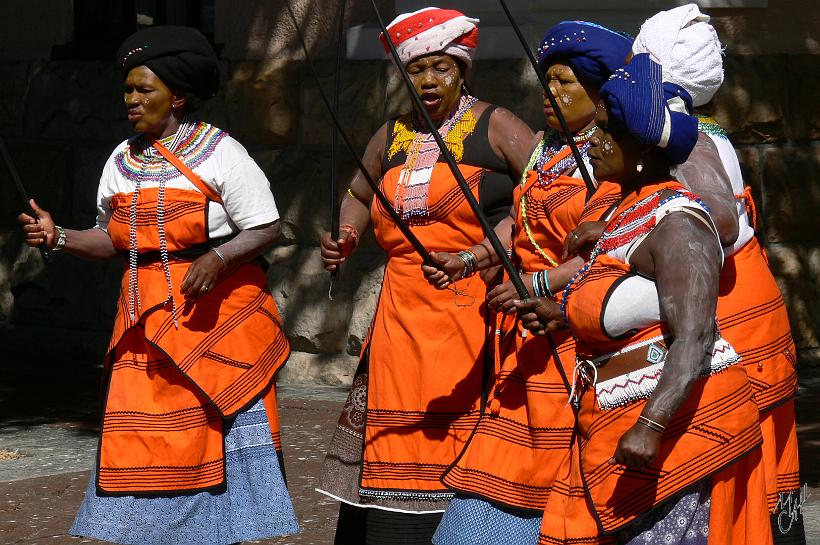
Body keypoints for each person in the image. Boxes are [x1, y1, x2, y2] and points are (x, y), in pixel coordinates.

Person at [18, 26, 297, 545]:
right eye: (128, 90)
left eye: (144, 90)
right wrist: (60, 238)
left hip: (213, 318)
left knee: (212, 435)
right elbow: (110, 240)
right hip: (141, 323)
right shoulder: (120, 163)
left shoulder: (220, 153)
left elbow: (265, 225)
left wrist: (218, 256)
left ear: (179, 95)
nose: (132, 100)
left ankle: (215, 532)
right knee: (143, 438)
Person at [515, 52, 771, 545]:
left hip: (680, 434)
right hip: (609, 417)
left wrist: (651, 425)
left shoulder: (678, 224)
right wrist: (563, 313)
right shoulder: (627, 208)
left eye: (608, 133)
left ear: (644, 150)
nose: (594, 140)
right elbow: (627, 300)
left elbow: (695, 338)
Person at [316, 7, 534, 544]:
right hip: (400, 312)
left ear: (462, 70)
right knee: (396, 425)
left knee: (461, 418)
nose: (428, 81)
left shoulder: (496, 125)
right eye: (417, 70)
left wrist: (483, 252)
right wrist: (345, 235)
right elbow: (358, 194)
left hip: (476, 306)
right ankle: (396, 519)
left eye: (440, 67)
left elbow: (548, 196)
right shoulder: (389, 135)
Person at [421, 21, 633, 545]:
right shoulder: (544, 149)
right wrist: (470, 260)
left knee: (568, 472)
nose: (550, 94)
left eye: (565, 83)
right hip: (525, 340)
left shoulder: (615, 159)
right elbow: (518, 224)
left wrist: (537, 283)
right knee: (501, 473)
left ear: (601, 90)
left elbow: (614, 247)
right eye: (547, 82)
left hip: (578, 337)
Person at [632, 7, 803, 543]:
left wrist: (636, 242)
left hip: (730, 310)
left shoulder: (689, 139)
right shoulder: (700, 131)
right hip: (745, 299)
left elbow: (719, 223)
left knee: (732, 453)